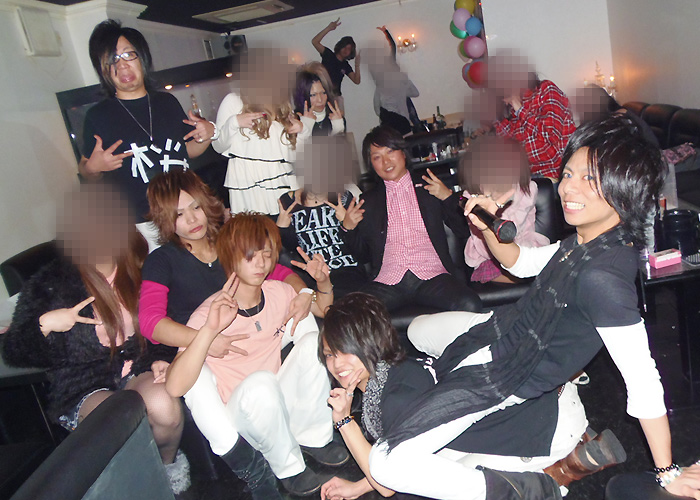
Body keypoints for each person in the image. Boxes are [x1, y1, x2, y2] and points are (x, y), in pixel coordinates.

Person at [359, 115, 700, 500]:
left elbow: (643, 381)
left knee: (384, 463)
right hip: (503, 330)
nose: (568, 187)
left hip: (508, 373)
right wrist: (487, 227)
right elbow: (521, 262)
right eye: (568, 174)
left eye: (589, 179)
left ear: (626, 191)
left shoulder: (603, 280)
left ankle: (525, 489)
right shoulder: (584, 242)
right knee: (419, 329)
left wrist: (668, 472)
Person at [318, 293, 623, 500]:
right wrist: (358, 487)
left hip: (551, 426)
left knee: (433, 480)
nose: (337, 364)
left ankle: (551, 479)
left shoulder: (392, 401)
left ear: (368, 343)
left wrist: (344, 420)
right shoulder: (400, 366)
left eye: (346, 351)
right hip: (546, 395)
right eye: (330, 354)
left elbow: (387, 482)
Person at [2, 186, 188, 494]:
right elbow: (14, 350)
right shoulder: (52, 283)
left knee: (165, 408)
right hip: (84, 384)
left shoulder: (140, 268)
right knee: (120, 420)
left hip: (138, 366)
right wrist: (45, 324)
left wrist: (162, 358)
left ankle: (168, 470)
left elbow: (165, 320)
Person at [164, 212, 346, 498]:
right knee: (261, 384)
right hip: (243, 414)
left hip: (276, 398)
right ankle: (289, 467)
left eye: (266, 254)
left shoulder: (279, 292)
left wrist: (321, 284)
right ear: (230, 258)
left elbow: (324, 309)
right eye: (250, 256)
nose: (261, 263)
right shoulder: (209, 313)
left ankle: (313, 437)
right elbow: (175, 387)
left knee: (314, 341)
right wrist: (209, 331)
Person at [79, 20, 216, 250]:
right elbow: (85, 168)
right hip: (142, 225)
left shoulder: (167, 102)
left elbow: (185, 151)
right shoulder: (98, 116)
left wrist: (207, 135)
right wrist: (94, 167)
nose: (122, 65)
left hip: (188, 214)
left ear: (142, 58)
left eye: (128, 55)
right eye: (112, 60)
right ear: (103, 69)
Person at [341, 125, 481, 313]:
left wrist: (448, 197)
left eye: (390, 151)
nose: (386, 161)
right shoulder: (368, 201)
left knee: (470, 303)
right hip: (387, 281)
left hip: (433, 276)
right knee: (351, 314)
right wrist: (348, 229)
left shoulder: (430, 186)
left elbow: (463, 230)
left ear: (403, 153)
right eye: (377, 157)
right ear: (371, 164)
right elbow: (364, 255)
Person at [212, 48, 310, 215]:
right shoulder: (234, 101)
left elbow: (294, 158)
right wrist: (234, 122)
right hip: (250, 192)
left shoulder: (283, 107)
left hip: (285, 190)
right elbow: (218, 146)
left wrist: (303, 131)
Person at [460, 136, 549, 283]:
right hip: (488, 253)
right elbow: (480, 240)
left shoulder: (526, 189)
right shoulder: (472, 197)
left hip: (523, 246)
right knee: (520, 275)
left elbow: (519, 229)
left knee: (539, 268)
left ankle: (534, 282)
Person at [487, 50, 576, 180]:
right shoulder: (508, 109)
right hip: (530, 180)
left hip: (559, 175)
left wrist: (519, 109)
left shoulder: (545, 90)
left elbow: (550, 135)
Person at [369, 26, 420, 135]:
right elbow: (377, 109)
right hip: (392, 126)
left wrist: (386, 32)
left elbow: (393, 48)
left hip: (399, 125)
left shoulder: (397, 85)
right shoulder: (382, 86)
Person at [311, 18, 360, 104]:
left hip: (336, 97)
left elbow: (356, 81)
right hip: (321, 94)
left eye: (349, 49)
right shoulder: (328, 54)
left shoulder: (345, 65)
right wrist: (328, 28)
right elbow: (315, 42)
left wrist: (357, 65)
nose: (346, 50)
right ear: (340, 46)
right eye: (345, 47)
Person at [293, 63, 345, 136]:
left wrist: (338, 129)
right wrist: (305, 128)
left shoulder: (336, 118)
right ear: (303, 95)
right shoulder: (295, 120)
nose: (320, 100)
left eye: (324, 93)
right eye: (313, 95)